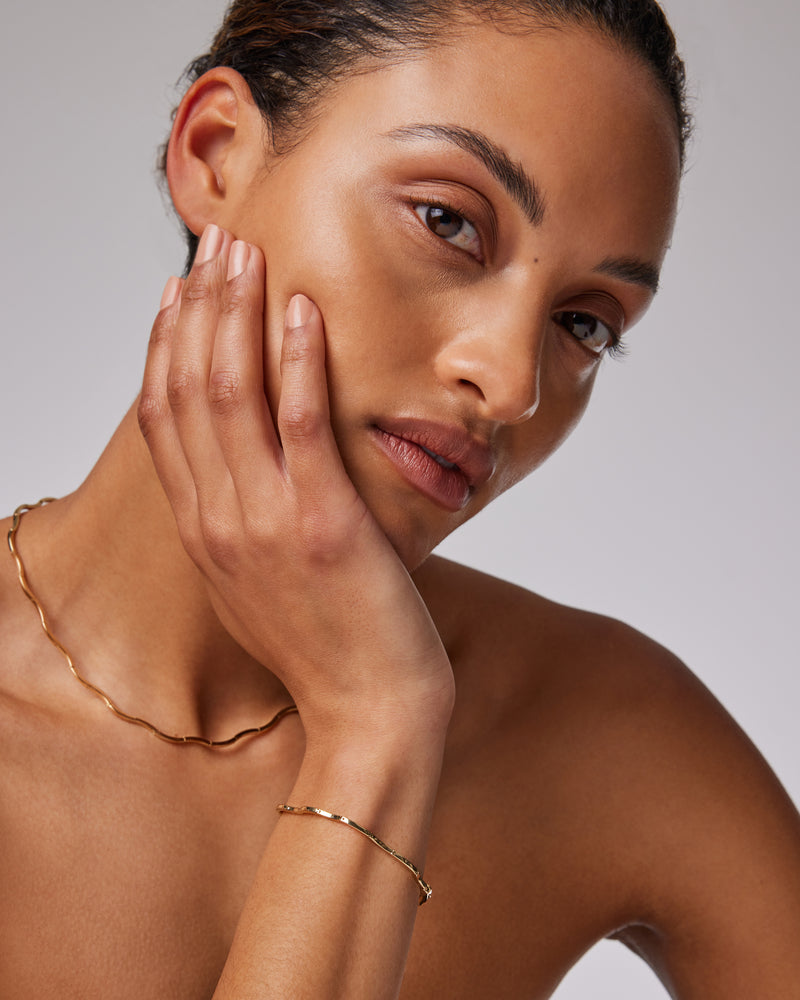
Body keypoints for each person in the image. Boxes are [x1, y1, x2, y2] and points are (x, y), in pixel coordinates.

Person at [1, 1, 799, 997]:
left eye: (583, 323)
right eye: (448, 222)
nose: (509, 384)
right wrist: (372, 720)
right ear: (215, 155)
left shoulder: (609, 732)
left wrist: (376, 716)